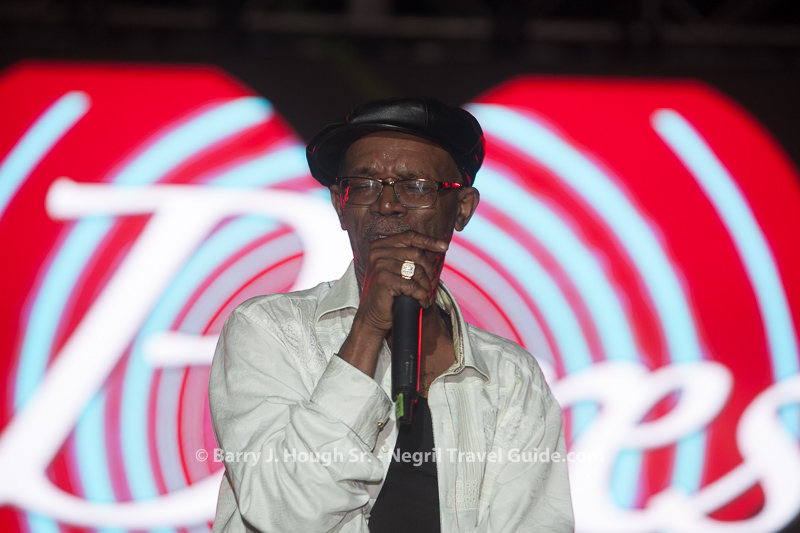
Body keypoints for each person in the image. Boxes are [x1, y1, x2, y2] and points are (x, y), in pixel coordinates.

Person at [208, 97, 574, 532]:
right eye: (363, 186)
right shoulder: (269, 330)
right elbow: (285, 512)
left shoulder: (510, 376)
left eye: (415, 186)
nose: (386, 205)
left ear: (462, 208)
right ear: (340, 206)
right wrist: (367, 328)